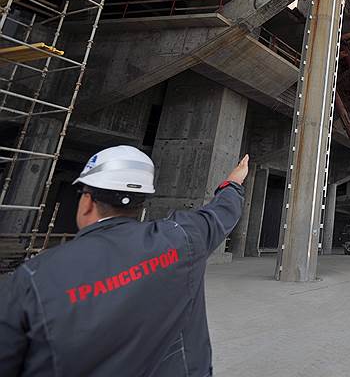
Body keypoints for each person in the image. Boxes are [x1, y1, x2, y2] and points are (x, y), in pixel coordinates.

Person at [0, 145, 249, 376]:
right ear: (141, 203)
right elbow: (221, 212)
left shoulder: (33, 278)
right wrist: (233, 182)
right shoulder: (182, 238)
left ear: (87, 201)